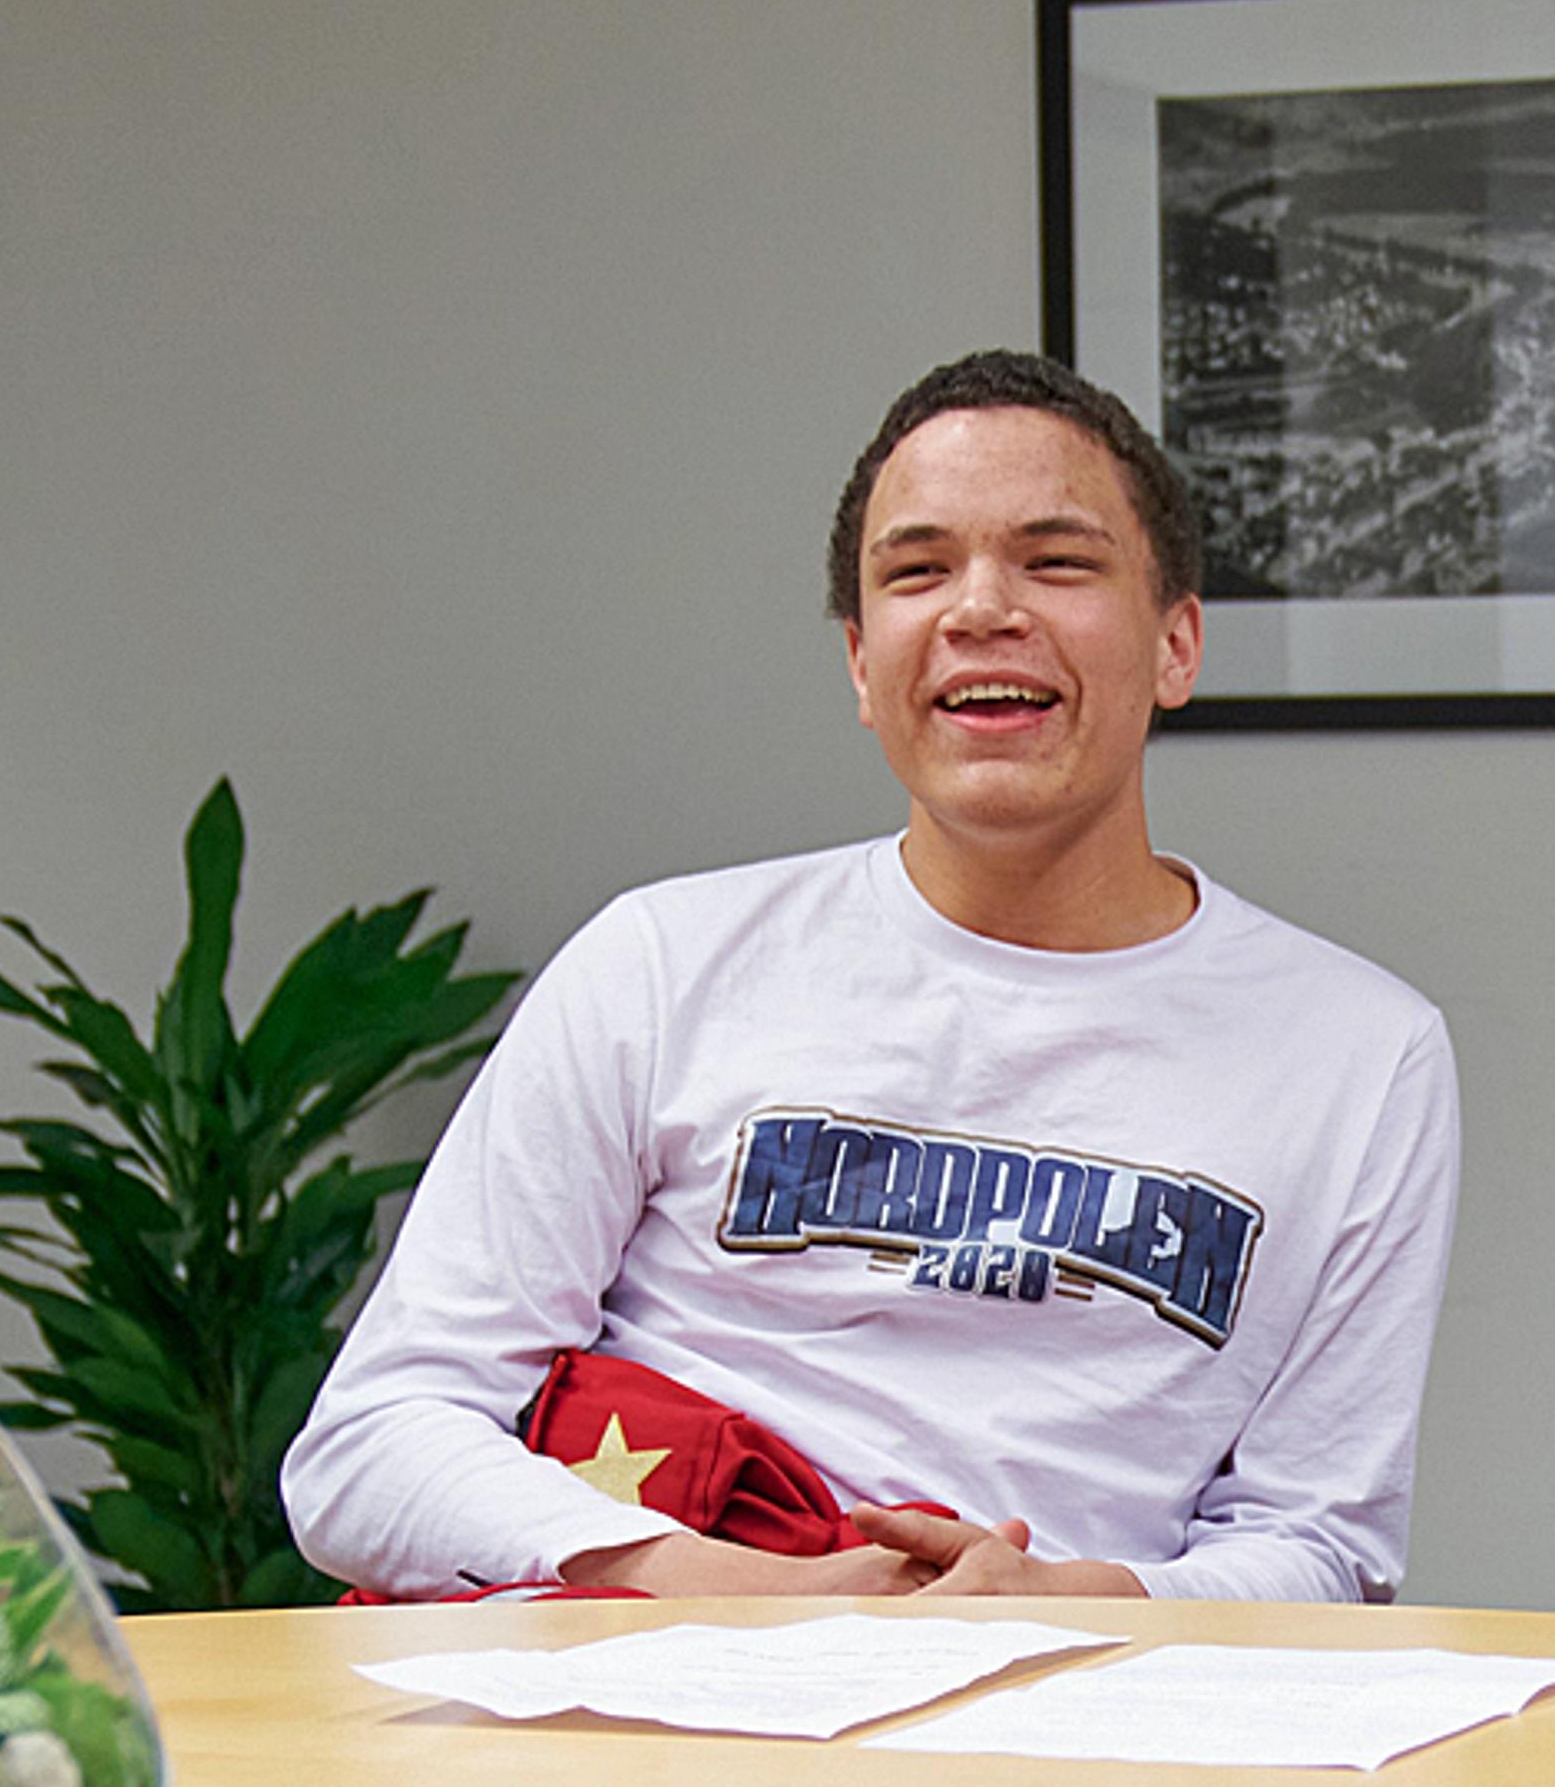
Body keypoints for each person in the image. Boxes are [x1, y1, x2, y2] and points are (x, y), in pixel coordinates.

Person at [283, 351, 1460, 1604]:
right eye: (918, 571)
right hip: (659, 1682)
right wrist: (733, 1590)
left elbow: (1326, 1547)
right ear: (860, 661)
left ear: (1177, 646)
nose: (981, 609)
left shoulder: (1360, 1055)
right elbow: (372, 1446)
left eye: (1056, 562)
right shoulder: (660, 965)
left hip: (1083, 1703)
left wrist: (1076, 1607)